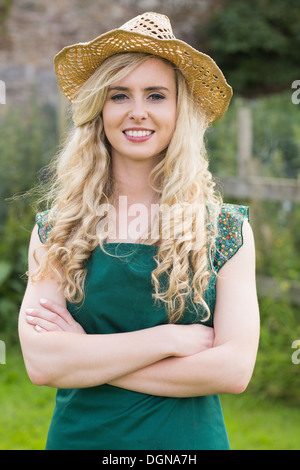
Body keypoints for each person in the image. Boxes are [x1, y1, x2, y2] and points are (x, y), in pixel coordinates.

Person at [18, 12, 260, 450]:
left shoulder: (225, 231)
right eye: (119, 95)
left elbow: (233, 370)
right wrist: (170, 340)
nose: (137, 112)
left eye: (155, 95)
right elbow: (41, 362)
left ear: (178, 109)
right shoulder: (58, 229)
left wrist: (87, 355)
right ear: (100, 109)